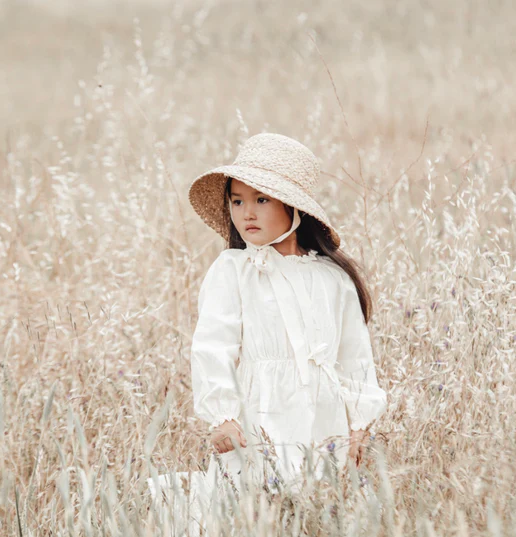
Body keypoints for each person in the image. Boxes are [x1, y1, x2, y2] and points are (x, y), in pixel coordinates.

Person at [147, 132, 388, 534]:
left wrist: (361, 422)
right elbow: (213, 345)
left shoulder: (332, 279)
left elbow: (354, 355)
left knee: (317, 510)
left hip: (323, 414)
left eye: (262, 199)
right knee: (250, 508)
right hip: (258, 412)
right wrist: (221, 413)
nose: (247, 213)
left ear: (293, 207)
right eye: (237, 201)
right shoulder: (234, 270)